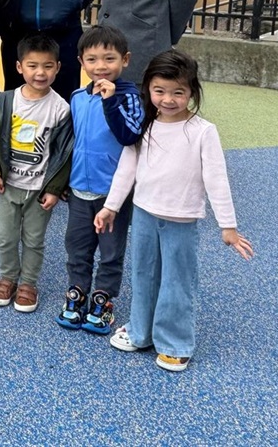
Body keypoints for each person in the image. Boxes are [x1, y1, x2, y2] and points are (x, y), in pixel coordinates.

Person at [97, 50, 254, 373]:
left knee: (177, 281)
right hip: (143, 214)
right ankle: (141, 332)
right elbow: (128, 167)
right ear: (148, 90)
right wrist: (111, 206)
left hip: (181, 219)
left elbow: (216, 178)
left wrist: (228, 226)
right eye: (160, 91)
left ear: (192, 92)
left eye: (178, 92)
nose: (168, 99)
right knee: (143, 275)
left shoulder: (203, 132)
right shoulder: (145, 126)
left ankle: (175, 342)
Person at [55, 26, 144, 334]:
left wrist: (111, 101)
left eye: (109, 58)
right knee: (76, 246)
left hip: (112, 194)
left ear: (126, 59)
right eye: (92, 59)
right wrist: (64, 180)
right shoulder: (78, 97)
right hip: (80, 188)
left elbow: (129, 135)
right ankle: (76, 293)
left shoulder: (129, 97)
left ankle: (103, 300)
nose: (101, 66)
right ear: (81, 62)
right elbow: (72, 141)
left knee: (110, 250)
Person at [0, 33, 73, 313]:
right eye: (32, 65)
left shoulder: (61, 108)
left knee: (34, 239)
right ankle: (8, 278)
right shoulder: (4, 101)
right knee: (5, 237)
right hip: (9, 184)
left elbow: (64, 153)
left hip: (39, 189)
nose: (40, 72)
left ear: (58, 68)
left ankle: (28, 284)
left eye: (47, 66)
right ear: (19, 66)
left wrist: (54, 189)